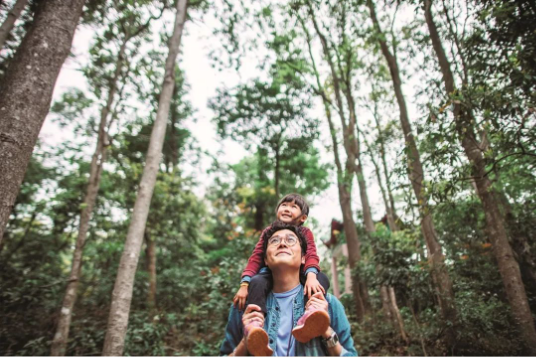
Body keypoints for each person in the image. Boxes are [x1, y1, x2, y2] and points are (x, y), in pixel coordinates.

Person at [221, 222, 358, 356]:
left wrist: (326, 330)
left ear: (303, 258)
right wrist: (247, 341)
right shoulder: (245, 307)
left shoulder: (329, 305)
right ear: (266, 260)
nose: (282, 243)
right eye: (274, 241)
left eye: (291, 240)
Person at [232, 194, 331, 350]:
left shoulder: (305, 232)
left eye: (293, 207)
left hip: (302, 272)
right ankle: (255, 324)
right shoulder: (268, 232)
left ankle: (312, 314)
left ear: (303, 217)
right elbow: (256, 258)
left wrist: (311, 275)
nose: (287, 208)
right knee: (256, 282)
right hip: (269, 274)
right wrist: (245, 284)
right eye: (284, 205)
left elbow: (311, 254)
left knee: (321, 279)